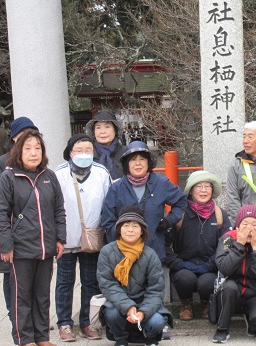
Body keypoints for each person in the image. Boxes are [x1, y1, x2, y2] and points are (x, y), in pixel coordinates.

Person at [0, 130, 66, 346]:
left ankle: (42, 337)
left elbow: (58, 210)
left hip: (45, 248)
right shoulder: (9, 177)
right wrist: (5, 246)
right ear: (18, 151)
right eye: (28, 148)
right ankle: (25, 339)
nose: (33, 153)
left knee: (42, 296)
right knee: (21, 297)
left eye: (37, 148)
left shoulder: (49, 176)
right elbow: (1, 213)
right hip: (20, 249)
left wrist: (59, 238)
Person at [54, 133, 112, 342]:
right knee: (64, 282)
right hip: (66, 239)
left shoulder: (101, 173)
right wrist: (56, 237)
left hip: (93, 239)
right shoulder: (58, 174)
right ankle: (64, 323)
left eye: (88, 150)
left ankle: (88, 322)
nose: (84, 154)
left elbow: (109, 203)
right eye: (79, 150)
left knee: (90, 282)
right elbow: (51, 207)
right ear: (70, 153)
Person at [0, 116, 39, 322]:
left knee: (34, 275)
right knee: (11, 274)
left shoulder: (37, 162)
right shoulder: (1, 163)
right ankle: (14, 314)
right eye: (23, 135)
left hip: (33, 228)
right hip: (8, 226)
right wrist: (13, 197)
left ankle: (34, 316)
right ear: (14, 138)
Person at [97, 206, 172, 346]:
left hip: (145, 302)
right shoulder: (107, 252)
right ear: (119, 229)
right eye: (126, 226)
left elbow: (156, 289)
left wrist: (143, 311)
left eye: (135, 226)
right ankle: (120, 338)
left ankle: (151, 337)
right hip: (118, 302)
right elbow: (107, 284)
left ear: (142, 231)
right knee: (111, 314)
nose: (130, 230)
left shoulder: (150, 254)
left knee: (158, 321)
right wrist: (128, 306)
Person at [101, 140, 187, 260]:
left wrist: (169, 221)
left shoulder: (161, 183)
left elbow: (182, 201)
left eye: (142, 159)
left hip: (154, 251)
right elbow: (107, 220)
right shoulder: (116, 188)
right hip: (124, 253)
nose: (138, 164)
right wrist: (121, 238)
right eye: (133, 160)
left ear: (149, 162)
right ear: (127, 164)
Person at [163, 170, 231, 321]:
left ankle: (207, 304)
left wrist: (213, 263)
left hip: (210, 266)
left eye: (207, 186)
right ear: (191, 190)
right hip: (183, 265)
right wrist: (177, 263)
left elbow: (226, 243)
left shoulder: (220, 214)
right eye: (198, 186)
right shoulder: (179, 214)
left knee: (206, 283)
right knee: (184, 279)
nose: (203, 190)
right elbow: (165, 243)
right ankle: (186, 304)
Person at [211, 205, 256, 343]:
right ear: (237, 227)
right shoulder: (227, 240)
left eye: (254, 224)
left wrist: (255, 249)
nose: (249, 228)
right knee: (229, 287)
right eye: (245, 224)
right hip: (230, 292)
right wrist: (239, 246)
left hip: (254, 293)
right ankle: (222, 329)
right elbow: (224, 268)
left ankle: (251, 319)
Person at [85, 110, 127, 180]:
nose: (102, 132)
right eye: (98, 127)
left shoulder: (126, 153)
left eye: (107, 127)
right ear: (93, 132)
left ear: (115, 130)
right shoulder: (87, 153)